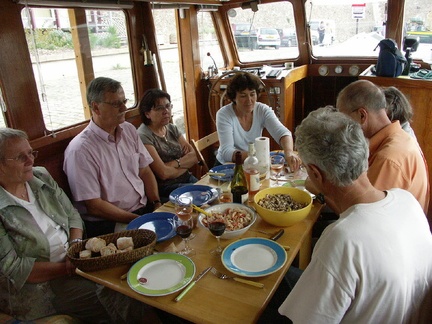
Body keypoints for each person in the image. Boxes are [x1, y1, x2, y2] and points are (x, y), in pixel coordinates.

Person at [277, 107, 432, 322]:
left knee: (271, 288)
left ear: (315, 173)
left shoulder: (343, 238)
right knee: (285, 278)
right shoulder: (406, 200)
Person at [0, 128, 161, 322]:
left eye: (30, 153)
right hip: (46, 284)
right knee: (123, 294)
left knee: (142, 270)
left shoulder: (39, 176)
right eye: (20, 157)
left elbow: (72, 216)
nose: (30, 161)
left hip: (78, 258)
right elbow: (15, 270)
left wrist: (75, 246)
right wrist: (70, 266)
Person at [64, 77, 161, 238]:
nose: (124, 108)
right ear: (96, 107)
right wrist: (139, 221)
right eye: (116, 104)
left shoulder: (128, 130)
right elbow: (94, 206)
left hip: (143, 209)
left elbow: (144, 171)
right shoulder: (80, 150)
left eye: (124, 101)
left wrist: (157, 203)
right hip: (109, 222)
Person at [336, 79, 429, 214]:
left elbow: (363, 215)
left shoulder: (388, 159)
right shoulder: (400, 137)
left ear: (362, 115)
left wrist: (323, 193)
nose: (343, 127)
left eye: (344, 119)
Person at [216, 71, 301, 172]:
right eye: (243, 96)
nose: (249, 100)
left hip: (254, 163)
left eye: (252, 94)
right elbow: (227, 153)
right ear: (234, 97)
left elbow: (283, 133)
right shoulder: (224, 114)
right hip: (228, 167)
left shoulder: (262, 110)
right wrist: (259, 156)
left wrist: (289, 152)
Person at [137, 89, 198, 202]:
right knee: (202, 197)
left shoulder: (171, 128)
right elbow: (163, 174)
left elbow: (194, 156)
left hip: (187, 178)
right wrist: (184, 164)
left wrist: (173, 164)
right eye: (159, 108)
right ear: (147, 114)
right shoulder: (143, 135)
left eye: (168, 106)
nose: (166, 111)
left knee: (213, 193)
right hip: (166, 187)